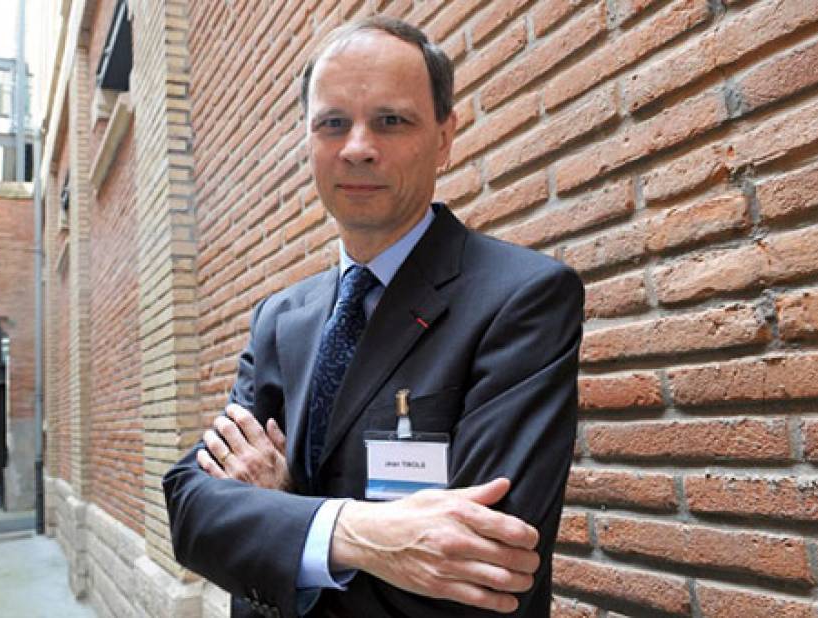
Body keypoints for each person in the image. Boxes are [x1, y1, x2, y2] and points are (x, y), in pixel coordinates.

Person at [163, 16, 583, 618]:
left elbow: (484, 571)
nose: (357, 147)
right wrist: (356, 533)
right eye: (333, 123)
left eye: (391, 121)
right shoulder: (280, 320)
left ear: (444, 138)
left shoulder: (524, 300)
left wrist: (280, 519)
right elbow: (191, 510)